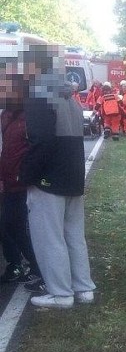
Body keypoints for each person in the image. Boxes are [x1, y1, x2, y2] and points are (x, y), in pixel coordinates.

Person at [18, 42, 96, 309]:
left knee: (49, 237)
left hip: (49, 178)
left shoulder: (39, 94)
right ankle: (83, 289)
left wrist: (26, 174)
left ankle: (60, 294)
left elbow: (42, 141)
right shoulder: (68, 96)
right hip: (73, 175)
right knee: (74, 234)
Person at [0, 68, 41, 284]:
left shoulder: (30, 115)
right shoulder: (6, 115)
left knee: (17, 227)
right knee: (7, 226)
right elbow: (5, 149)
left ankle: (37, 266)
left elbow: (37, 148)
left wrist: (27, 176)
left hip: (23, 183)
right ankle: (16, 264)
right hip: (7, 181)